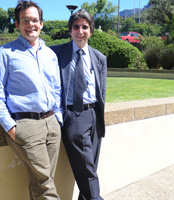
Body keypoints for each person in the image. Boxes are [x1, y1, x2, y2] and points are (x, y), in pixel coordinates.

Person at [0, 1, 62, 199]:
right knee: (46, 184)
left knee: (41, 182)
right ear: (17, 24)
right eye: (25, 20)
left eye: (35, 20)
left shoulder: (50, 54)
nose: (31, 25)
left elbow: (56, 88)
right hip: (26, 126)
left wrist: (59, 119)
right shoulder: (5, 53)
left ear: (42, 23)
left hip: (52, 124)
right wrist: (10, 127)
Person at [50, 9, 107, 200]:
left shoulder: (99, 58)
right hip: (73, 115)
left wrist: (99, 117)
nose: (80, 31)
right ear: (70, 30)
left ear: (91, 30)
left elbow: (102, 92)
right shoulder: (56, 53)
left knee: (89, 166)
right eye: (76, 27)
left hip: (95, 116)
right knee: (87, 168)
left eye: (85, 27)